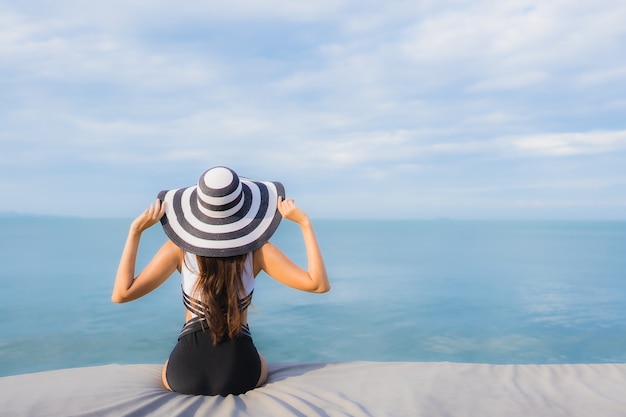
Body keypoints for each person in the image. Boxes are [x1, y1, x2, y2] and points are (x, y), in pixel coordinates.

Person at [112, 166, 330, 396]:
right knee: (261, 360)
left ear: (198, 209)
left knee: (169, 366)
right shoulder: (258, 252)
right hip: (240, 370)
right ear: (244, 207)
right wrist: (305, 223)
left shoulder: (177, 250)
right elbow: (318, 284)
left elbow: (122, 294)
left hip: (185, 371)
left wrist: (135, 231)